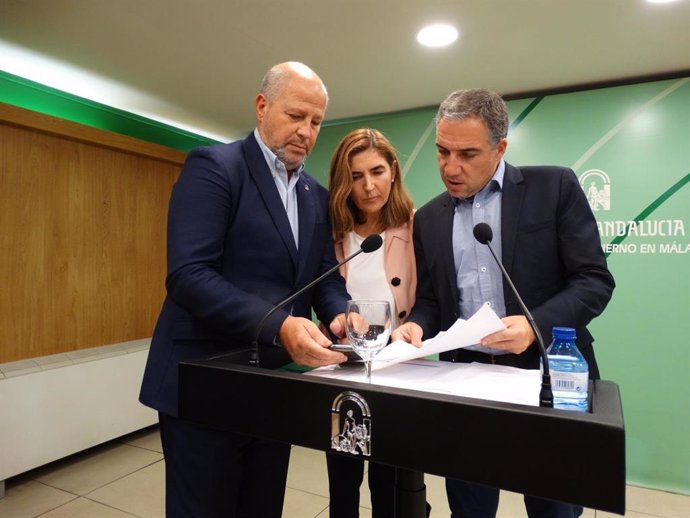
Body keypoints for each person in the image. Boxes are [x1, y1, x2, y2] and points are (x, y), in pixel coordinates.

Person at [139, 61, 350, 518]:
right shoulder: (215, 167)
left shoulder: (314, 193)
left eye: (316, 122)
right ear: (262, 106)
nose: (307, 132)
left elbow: (324, 276)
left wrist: (340, 313)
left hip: (272, 385)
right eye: (296, 116)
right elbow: (189, 275)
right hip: (203, 381)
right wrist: (279, 326)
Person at [392, 89, 615, 518]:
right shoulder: (431, 216)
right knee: (470, 508)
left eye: (467, 153)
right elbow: (433, 301)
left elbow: (594, 280)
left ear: (500, 149)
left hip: (547, 379)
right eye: (441, 151)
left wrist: (534, 326)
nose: (450, 167)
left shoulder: (554, 187)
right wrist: (417, 325)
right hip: (464, 385)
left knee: (554, 507)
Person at [326, 128, 416, 518]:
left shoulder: (417, 226)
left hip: (400, 374)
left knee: (390, 486)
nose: (368, 186)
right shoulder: (332, 233)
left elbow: (431, 298)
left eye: (377, 172)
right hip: (347, 374)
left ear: (393, 171)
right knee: (343, 482)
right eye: (356, 176)